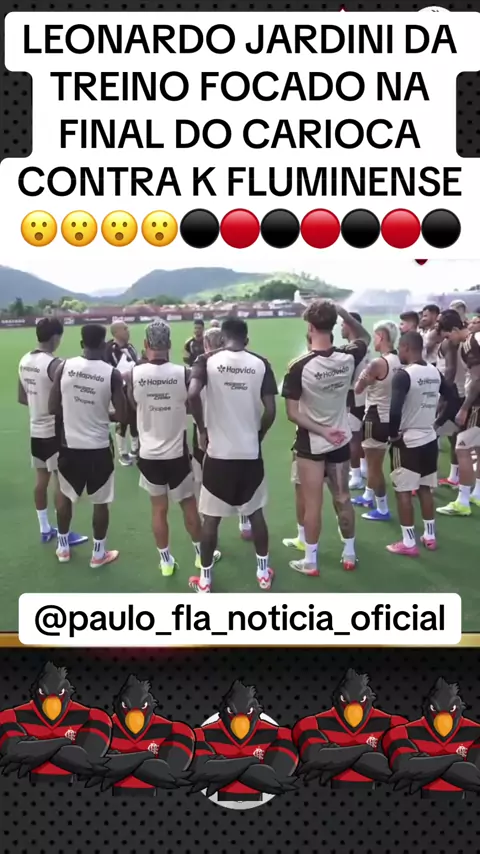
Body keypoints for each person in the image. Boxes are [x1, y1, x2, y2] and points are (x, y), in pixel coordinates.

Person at [188, 317, 277, 593]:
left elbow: (192, 394)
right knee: (255, 513)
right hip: (249, 452)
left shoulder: (206, 361)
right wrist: (259, 434)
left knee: (211, 519)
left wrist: (202, 429)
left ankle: (205, 580)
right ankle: (262, 573)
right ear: (246, 339)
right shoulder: (261, 363)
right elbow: (271, 410)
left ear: (223, 338)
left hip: (218, 454)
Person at [281, 300, 371, 575]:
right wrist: (343, 312)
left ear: (310, 327)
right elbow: (364, 337)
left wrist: (322, 431)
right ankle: (349, 553)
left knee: (313, 504)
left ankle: (311, 561)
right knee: (343, 498)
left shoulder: (298, 366)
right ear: (333, 326)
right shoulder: (348, 356)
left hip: (312, 443)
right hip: (341, 439)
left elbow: (292, 413)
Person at [127, 320, 220, 577]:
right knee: (188, 504)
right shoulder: (183, 373)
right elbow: (193, 402)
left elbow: (132, 406)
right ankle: (201, 556)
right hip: (176, 453)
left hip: (148, 454)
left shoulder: (134, 374)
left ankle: (166, 562)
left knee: (158, 509)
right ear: (169, 344)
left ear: (145, 344)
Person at [48, 324, 127, 566]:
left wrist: (75, 412)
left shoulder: (64, 366)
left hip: (69, 445)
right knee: (100, 501)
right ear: (103, 344)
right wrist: (103, 414)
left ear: (82, 344)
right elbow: (122, 415)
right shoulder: (111, 373)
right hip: (99, 448)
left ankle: (63, 548)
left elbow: (52, 407)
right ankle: (98, 554)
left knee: (64, 495)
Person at [18, 318, 87, 548]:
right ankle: (64, 536)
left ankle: (45, 528)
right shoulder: (55, 364)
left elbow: (22, 397)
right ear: (56, 337)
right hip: (55, 432)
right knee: (62, 485)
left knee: (41, 481)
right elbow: (69, 398)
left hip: (36, 429)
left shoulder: (24, 360)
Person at [386, 331, 455, 556]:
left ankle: (408, 542)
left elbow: (394, 410)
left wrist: (392, 435)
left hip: (407, 441)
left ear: (406, 347)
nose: (399, 351)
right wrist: (439, 422)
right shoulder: (434, 371)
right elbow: (453, 397)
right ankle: (430, 536)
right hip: (429, 439)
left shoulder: (404, 375)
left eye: (400, 347)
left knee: (403, 491)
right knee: (425, 488)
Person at [353, 320, 401, 521]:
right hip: (391, 418)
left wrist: (364, 375)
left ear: (381, 336)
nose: (373, 340)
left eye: (375, 336)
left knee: (374, 468)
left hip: (375, 418)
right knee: (377, 463)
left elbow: (358, 388)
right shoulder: (398, 360)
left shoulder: (378, 364)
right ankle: (368, 496)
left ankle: (382, 509)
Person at [435, 309, 480, 516]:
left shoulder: (470, 343)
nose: (448, 341)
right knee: (477, 447)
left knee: (462, 447)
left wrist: (464, 407)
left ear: (454, 329)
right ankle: (477, 494)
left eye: (448, 336)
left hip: (476, 404)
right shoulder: (473, 339)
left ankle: (462, 501)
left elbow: (477, 378)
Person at [341, 310, 369, 490]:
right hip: (364, 396)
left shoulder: (354, 349)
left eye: (343, 324)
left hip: (354, 397)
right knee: (361, 435)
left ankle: (356, 475)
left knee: (353, 436)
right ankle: (363, 469)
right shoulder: (364, 346)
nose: (341, 328)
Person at [435, 327, 467, 488]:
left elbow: (450, 369)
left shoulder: (449, 343)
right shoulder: (461, 342)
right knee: (456, 436)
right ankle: (455, 477)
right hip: (460, 394)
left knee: (433, 433)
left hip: (453, 395)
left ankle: (428, 480)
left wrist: (444, 395)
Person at [104, 320, 139, 466]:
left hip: (134, 387)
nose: (128, 330)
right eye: (125, 328)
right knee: (122, 420)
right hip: (119, 390)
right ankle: (122, 452)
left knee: (135, 418)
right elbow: (106, 370)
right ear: (116, 332)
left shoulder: (131, 348)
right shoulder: (109, 350)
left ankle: (135, 449)